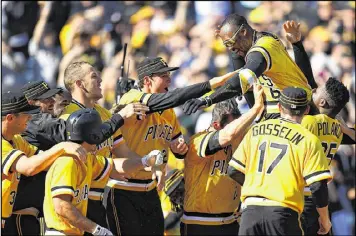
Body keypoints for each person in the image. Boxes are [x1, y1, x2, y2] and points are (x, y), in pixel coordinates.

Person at [106, 56, 241, 235]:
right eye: (163, 75)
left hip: (150, 189)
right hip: (123, 187)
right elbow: (174, 98)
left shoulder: (167, 111)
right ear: (147, 80)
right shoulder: (132, 98)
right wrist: (211, 84)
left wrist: (179, 149)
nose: (169, 79)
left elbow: (177, 146)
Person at [59, 61, 158, 232]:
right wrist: (120, 116)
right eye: (94, 76)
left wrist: (149, 164)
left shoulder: (103, 114)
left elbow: (122, 152)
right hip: (75, 200)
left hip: (98, 199)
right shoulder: (68, 115)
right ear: (79, 84)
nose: (101, 80)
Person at [227, 87, 333, 235]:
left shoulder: (256, 130)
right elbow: (317, 186)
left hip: (250, 213)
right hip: (283, 214)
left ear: (279, 107)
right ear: (307, 110)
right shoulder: (309, 139)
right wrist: (325, 220)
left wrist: (259, 186)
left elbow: (233, 170)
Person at [43, 108, 164, 235]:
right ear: (92, 135)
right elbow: (62, 206)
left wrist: (145, 161)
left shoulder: (88, 158)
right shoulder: (67, 161)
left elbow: (115, 167)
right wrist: (96, 229)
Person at [182, 13, 312, 122]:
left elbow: (241, 80)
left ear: (244, 32)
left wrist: (207, 100)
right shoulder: (253, 43)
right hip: (277, 113)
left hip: (297, 112)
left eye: (230, 42)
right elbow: (245, 86)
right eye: (226, 44)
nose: (231, 48)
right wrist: (230, 39)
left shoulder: (263, 47)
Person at [182, 84, 265, 236]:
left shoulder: (238, 139)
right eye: (233, 125)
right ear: (216, 125)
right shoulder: (197, 141)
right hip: (199, 223)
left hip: (230, 220)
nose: (238, 130)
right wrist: (256, 108)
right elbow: (227, 135)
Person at [1, 90, 86, 235]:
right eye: (25, 114)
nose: (30, 117)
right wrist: (61, 146)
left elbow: (42, 160)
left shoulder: (17, 140)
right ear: (10, 118)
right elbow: (28, 167)